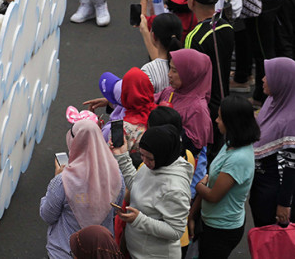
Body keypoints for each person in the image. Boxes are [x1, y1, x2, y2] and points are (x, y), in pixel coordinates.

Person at [40, 119, 125, 258]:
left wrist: (55, 179)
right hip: (99, 251)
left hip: (64, 251)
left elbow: (47, 215)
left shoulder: (63, 181)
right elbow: (116, 209)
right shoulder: (116, 175)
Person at [191, 93, 260, 258]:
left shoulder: (239, 158)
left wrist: (199, 185)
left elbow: (213, 195)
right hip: (210, 221)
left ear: (232, 123)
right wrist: (192, 214)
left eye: (220, 118)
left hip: (221, 230)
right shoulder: (230, 143)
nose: (216, 120)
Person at [113, 125, 193, 259]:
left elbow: (176, 231)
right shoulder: (157, 164)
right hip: (137, 250)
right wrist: (122, 155)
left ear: (163, 154)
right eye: (141, 155)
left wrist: (139, 219)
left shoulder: (175, 189)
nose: (144, 161)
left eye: (149, 158)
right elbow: (138, 187)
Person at [251, 58, 295, 226]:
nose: (263, 79)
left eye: (269, 75)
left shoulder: (292, 122)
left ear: (283, 82)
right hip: (263, 192)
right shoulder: (273, 102)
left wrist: (284, 204)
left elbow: (291, 169)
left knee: (275, 247)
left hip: (277, 203)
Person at [181, 0, 235, 123]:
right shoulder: (226, 26)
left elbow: (190, 79)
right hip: (224, 101)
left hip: (205, 108)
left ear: (192, 2)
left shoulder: (194, 37)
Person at [156, 48, 213, 153]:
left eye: (174, 71)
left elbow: (195, 146)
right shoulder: (170, 91)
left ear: (190, 74)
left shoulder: (198, 108)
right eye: (170, 68)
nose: (169, 74)